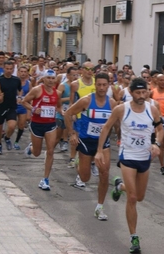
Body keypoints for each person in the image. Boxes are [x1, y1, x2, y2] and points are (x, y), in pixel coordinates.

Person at [95, 78, 163, 253]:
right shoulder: (121, 109)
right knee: (132, 198)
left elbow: (160, 128)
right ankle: (134, 237)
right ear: (131, 93)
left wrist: (158, 144)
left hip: (145, 158)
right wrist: (99, 151)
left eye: (144, 92)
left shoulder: (152, 109)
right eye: (138, 93)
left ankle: (120, 186)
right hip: (128, 156)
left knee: (140, 196)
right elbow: (106, 128)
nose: (141, 96)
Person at [64, 73, 117, 219]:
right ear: (95, 85)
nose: (101, 88)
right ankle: (78, 163)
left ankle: (100, 207)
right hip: (86, 141)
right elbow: (68, 114)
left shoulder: (112, 103)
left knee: (105, 173)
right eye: (98, 85)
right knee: (85, 177)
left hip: (103, 143)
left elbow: (117, 122)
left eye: (104, 85)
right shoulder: (86, 101)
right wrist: (72, 133)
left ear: (108, 86)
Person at [22, 69, 62, 190]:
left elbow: (58, 106)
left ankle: (45, 179)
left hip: (50, 125)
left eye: (52, 78)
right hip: (37, 124)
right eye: (48, 78)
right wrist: (34, 109)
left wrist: (63, 112)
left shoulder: (57, 93)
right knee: (37, 153)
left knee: (50, 151)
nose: (50, 81)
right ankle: (31, 148)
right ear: (43, 79)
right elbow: (24, 101)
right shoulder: (37, 90)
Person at [0, 61, 22, 154]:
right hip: (0, 107)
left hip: (12, 107)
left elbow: (20, 90)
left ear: (13, 69)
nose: (9, 71)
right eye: (7, 69)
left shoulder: (16, 80)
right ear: (4, 68)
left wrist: (19, 97)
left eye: (11, 69)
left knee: (12, 126)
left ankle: (7, 138)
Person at [14, 66, 32, 150]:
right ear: (18, 72)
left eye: (25, 71)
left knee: (21, 125)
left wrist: (30, 109)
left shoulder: (29, 83)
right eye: (21, 71)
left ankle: (16, 141)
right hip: (13, 106)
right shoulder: (13, 81)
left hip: (23, 106)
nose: (23, 73)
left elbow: (31, 97)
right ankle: (7, 137)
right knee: (12, 125)